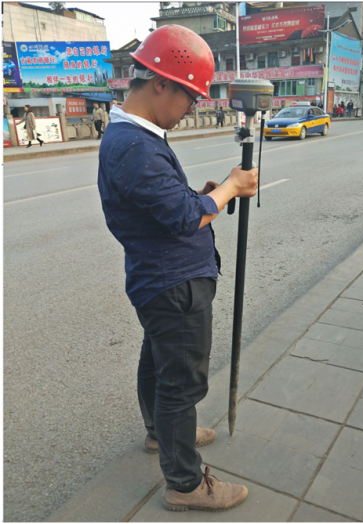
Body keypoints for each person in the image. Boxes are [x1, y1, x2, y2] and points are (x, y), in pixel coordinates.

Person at [97, 25, 257, 513]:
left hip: (159, 279)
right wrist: (230, 188)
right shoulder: (135, 146)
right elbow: (185, 218)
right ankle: (185, 482)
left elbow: (168, 207)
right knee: (181, 383)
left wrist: (202, 197)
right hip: (173, 285)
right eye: (189, 96)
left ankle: (161, 433)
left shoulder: (133, 135)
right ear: (160, 83)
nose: (191, 108)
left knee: (159, 364)